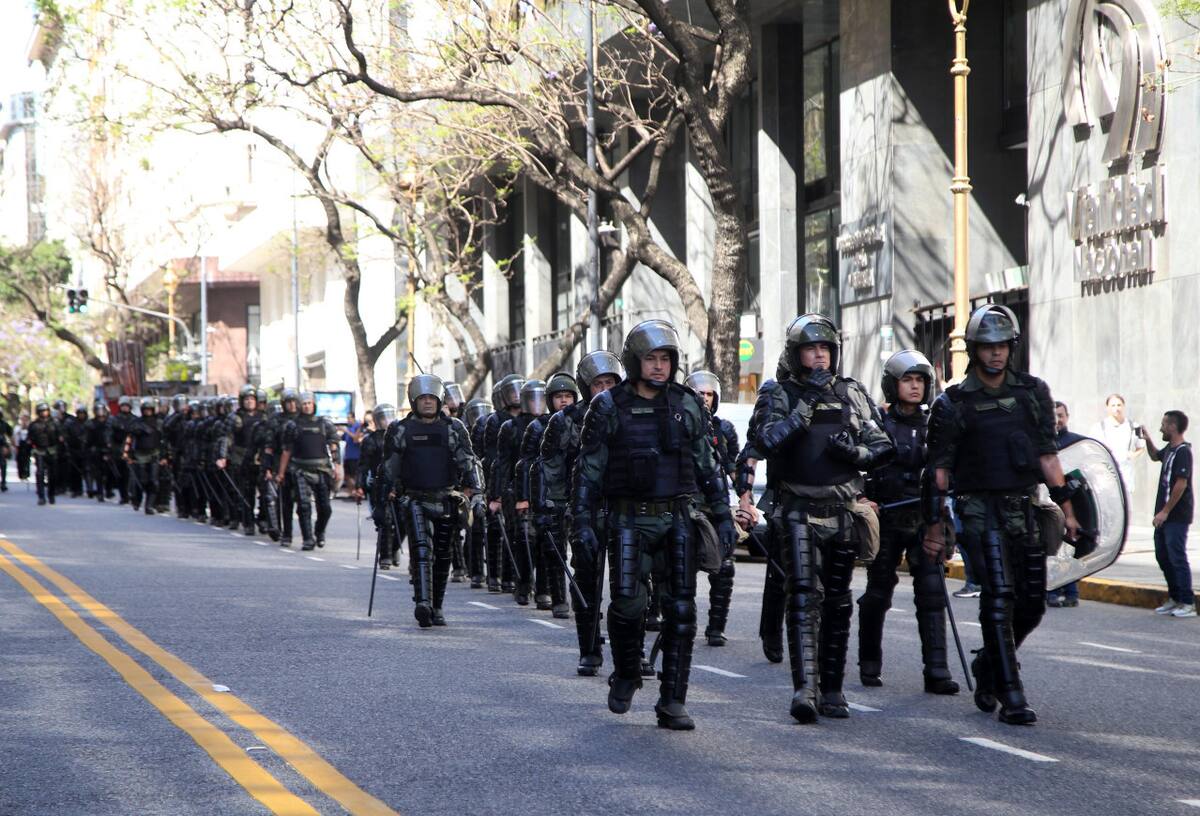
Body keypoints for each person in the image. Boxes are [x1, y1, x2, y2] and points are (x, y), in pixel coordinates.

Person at [572, 319, 736, 730]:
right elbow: (588, 470)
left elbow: (708, 465)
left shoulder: (687, 405)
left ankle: (672, 701)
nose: (659, 367)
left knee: (681, 610)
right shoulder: (608, 406)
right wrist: (582, 523)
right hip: (628, 520)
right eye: (651, 359)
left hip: (677, 518)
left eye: (666, 359)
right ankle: (626, 672)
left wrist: (722, 512)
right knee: (628, 605)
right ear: (634, 361)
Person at [924, 303, 1081, 726]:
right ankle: (1012, 696)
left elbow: (1048, 457)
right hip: (977, 509)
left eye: (1003, 346)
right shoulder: (953, 403)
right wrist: (937, 524)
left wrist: (1067, 509)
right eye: (988, 346)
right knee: (999, 596)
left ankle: (988, 665)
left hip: (1023, 505)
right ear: (975, 350)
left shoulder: (1032, 392)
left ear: (1012, 347)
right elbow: (939, 470)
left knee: (1032, 603)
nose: (996, 354)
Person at [753, 313, 893, 722]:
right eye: (811, 349)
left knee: (838, 603)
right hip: (797, 508)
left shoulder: (851, 393)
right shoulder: (778, 393)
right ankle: (805, 690)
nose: (819, 357)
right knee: (802, 599)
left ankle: (833, 689)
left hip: (842, 510)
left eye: (825, 349)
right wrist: (807, 405)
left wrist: (856, 455)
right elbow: (766, 440)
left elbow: (882, 446)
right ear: (796, 355)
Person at [857, 350, 958, 694]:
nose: (915, 387)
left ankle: (937, 670)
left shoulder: (937, 424)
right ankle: (869, 662)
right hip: (886, 517)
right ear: (892, 384)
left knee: (931, 594)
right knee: (877, 594)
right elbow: (858, 466)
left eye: (920, 380)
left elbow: (949, 469)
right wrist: (862, 498)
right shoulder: (877, 424)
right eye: (907, 380)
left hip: (925, 518)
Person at [542, 351, 624, 675]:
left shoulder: (631, 415)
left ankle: (631, 653)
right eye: (597, 384)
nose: (604, 390)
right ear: (586, 387)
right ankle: (589, 649)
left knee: (629, 585)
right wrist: (554, 507)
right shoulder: (565, 421)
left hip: (622, 510)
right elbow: (551, 467)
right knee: (587, 582)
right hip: (584, 513)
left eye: (610, 383)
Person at [382, 375, 480, 627]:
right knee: (421, 551)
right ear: (414, 401)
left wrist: (475, 492)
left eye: (431, 398)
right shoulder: (400, 429)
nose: (427, 402)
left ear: (439, 400)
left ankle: (437, 607)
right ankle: (422, 603)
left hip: (446, 498)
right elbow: (389, 468)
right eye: (422, 398)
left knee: (444, 555)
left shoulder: (454, 428)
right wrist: (385, 495)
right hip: (414, 498)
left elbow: (468, 461)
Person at [684, 370, 740, 648]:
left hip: (716, 507)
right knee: (681, 570)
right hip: (686, 507)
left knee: (725, 568)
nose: (704, 399)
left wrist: (746, 501)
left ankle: (716, 628)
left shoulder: (724, 429)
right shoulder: (679, 424)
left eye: (709, 394)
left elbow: (733, 468)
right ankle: (681, 624)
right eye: (699, 394)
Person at [521, 372, 579, 617]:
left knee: (585, 552)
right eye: (558, 396)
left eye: (568, 396)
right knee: (554, 549)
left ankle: (581, 597)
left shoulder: (586, 421)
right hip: (553, 496)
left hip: (581, 494)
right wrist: (532, 500)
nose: (564, 401)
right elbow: (530, 466)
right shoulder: (538, 427)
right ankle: (558, 599)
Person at [497, 379, 551, 607]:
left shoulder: (553, 423)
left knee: (547, 542)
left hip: (547, 491)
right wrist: (498, 494)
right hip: (519, 491)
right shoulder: (510, 427)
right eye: (532, 398)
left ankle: (544, 589)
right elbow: (504, 463)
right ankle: (523, 582)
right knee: (524, 539)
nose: (536, 404)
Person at [1142, 411, 1196, 618]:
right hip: (1163, 515)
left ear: (1173, 426)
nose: (1161, 428)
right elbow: (1155, 456)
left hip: (1176, 516)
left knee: (1177, 557)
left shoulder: (1183, 452)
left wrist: (1165, 511)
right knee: (1162, 556)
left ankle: (1187, 602)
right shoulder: (1170, 449)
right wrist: (1147, 439)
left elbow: (1181, 484)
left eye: (1164, 424)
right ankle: (1174, 598)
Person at [276, 392, 341, 550]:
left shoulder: (324, 424)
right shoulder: (293, 425)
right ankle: (308, 539)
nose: (306, 406)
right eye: (304, 403)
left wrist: (338, 467)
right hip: (300, 469)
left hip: (322, 469)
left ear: (314, 405)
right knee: (304, 506)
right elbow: (287, 451)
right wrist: (281, 473)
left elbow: (334, 446)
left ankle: (319, 532)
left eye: (309, 403)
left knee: (325, 508)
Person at [485, 375, 525, 593]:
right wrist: (496, 492)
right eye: (512, 391)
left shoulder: (531, 419)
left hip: (525, 481)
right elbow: (495, 459)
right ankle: (496, 575)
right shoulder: (496, 420)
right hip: (504, 481)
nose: (517, 395)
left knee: (522, 533)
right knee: (500, 529)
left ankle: (516, 576)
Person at [1047, 401, 1087, 608]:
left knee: (1070, 550)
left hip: (1073, 508)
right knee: (1052, 550)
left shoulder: (1076, 444)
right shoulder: (1043, 444)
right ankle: (1052, 591)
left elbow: (1083, 476)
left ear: (1067, 417)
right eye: (1053, 416)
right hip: (1049, 509)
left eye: (1061, 415)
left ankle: (1071, 592)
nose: (1057, 420)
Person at [217, 386, 263, 535]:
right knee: (246, 492)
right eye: (247, 399)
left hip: (259, 458)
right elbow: (227, 438)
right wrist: (223, 456)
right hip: (241, 458)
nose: (249, 402)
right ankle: (248, 523)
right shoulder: (235, 417)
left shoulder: (264, 417)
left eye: (252, 399)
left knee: (265, 492)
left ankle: (264, 520)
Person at [359, 403, 399, 569]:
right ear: (377, 420)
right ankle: (385, 555)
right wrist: (359, 486)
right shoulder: (371, 440)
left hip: (400, 483)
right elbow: (363, 465)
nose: (387, 421)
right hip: (379, 484)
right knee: (384, 519)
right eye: (383, 417)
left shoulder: (400, 435)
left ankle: (393, 548)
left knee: (403, 521)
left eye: (389, 416)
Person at [1090, 393, 1145, 500]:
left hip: (1126, 476)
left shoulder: (1134, 426)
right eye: (1113, 405)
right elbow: (1091, 449)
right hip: (1106, 477)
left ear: (1123, 406)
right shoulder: (1098, 428)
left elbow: (1141, 446)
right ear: (1107, 408)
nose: (1116, 408)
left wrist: (1132, 455)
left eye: (1119, 405)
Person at [464, 398, 494, 587]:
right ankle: (475, 571)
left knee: (494, 530)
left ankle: (496, 573)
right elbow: (469, 461)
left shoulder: (495, 425)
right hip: (475, 486)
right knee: (475, 528)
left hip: (492, 481)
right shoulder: (465, 432)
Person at [123, 398, 166, 514]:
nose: (148, 412)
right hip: (140, 455)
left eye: (149, 409)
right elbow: (129, 435)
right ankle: (137, 500)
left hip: (154, 454)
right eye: (145, 410)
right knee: (142, 480)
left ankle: (149, 505)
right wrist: (127, 454)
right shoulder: (137, 422)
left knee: (154, 481)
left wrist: (165, 456)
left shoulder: (159, 422)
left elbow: (164, 440)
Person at [28, 402, 64, 506]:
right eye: (42, 411)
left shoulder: (55, 423)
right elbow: (30, 438)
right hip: (39, 451)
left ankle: (51, 494)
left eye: (46, 411)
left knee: (53, 475)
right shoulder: (34, 425)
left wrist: (61, 441)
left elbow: (60, 437)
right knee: (40, 474)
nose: (44, 413)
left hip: (52, 451)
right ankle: (41, 496)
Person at [341, 411, 364, 496]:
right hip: (348, 456)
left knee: (354, 475)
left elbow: (355, 438)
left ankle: (356, 491)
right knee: (347, 475)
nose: (348, 420)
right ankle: (352, 491)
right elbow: (343, 438)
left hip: (355, 455)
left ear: (353, 418)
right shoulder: (349, 427)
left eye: (349, 418)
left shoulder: (357, 426)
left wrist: (346, 431)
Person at [15, 411, 32, 482]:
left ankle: (26, 474)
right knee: (20, 460)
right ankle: (21, 474)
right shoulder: (17, 427)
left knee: (27, 460)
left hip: (27, 445)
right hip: (20, 444)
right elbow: (15, 435)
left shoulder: (30, 427)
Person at [0, 408, 11, 492]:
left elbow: (9, 434)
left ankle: (3, 483)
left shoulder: (4, 424)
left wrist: (7, 446)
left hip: (1, 446)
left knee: (3, 465)